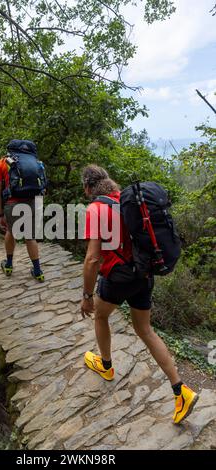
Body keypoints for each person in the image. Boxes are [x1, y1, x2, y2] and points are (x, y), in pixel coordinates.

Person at [81, 164, 198, 425]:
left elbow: (92, 259)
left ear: (88, 187)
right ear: (109, 182)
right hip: (143, 275)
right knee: (145, 331)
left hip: (118, 277)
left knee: (100, 316)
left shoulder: (96, 209)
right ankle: (181, 390)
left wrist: (87, 295)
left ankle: (107, 365)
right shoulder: (127, 201)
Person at [0, 140, 45, 281]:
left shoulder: (3, 162)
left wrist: (0, 214)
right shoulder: (37, 162)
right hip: (33, 202)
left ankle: (9, 265)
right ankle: (38, 271)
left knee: (11, 231)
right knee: (30, 236)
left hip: (12, 203)